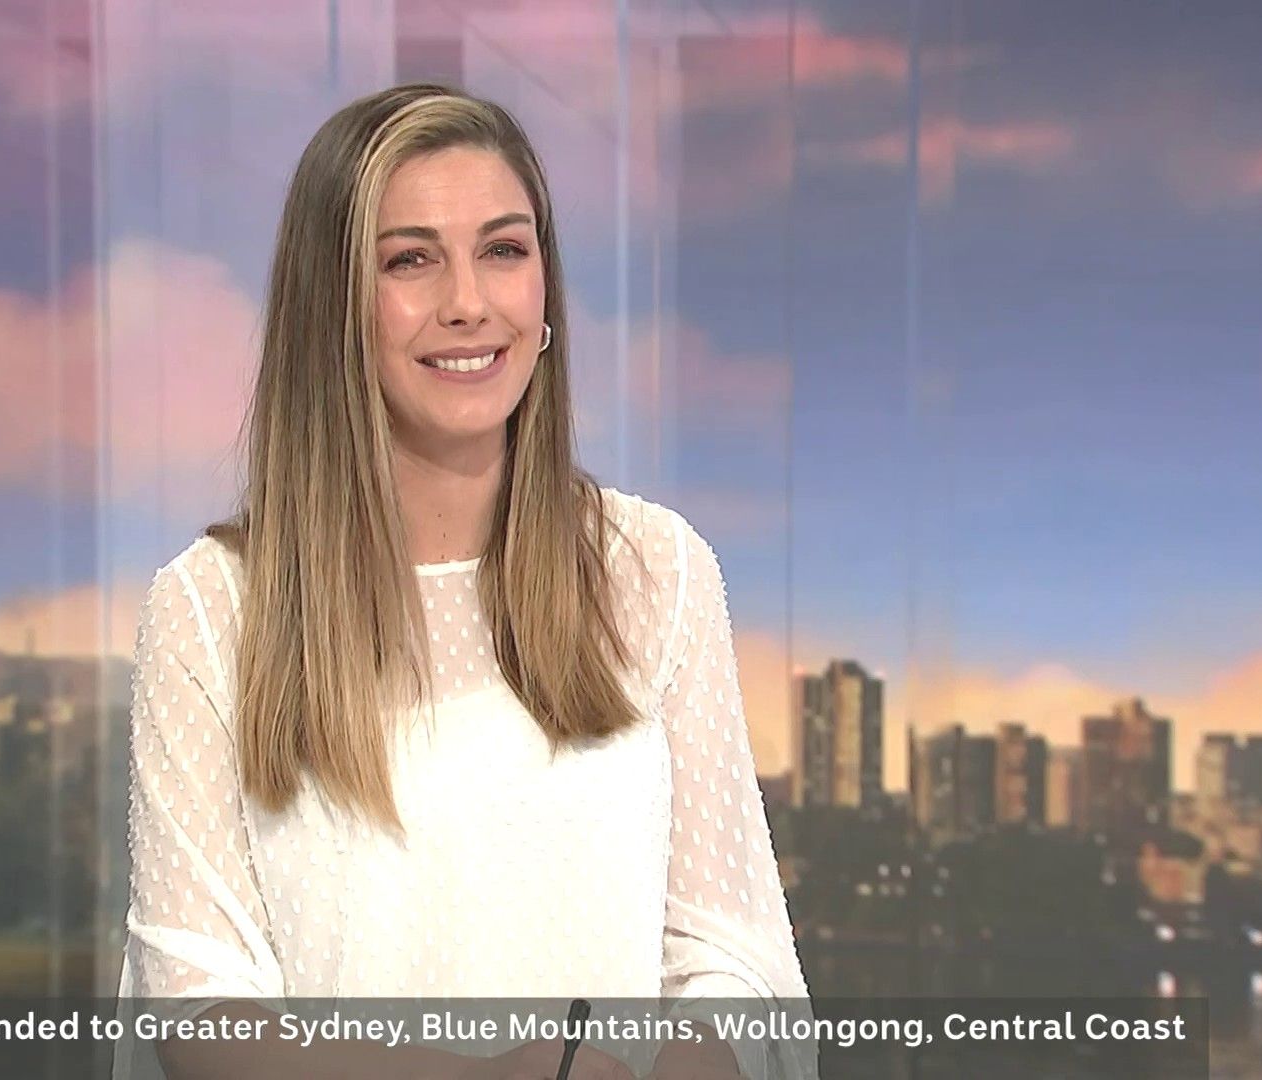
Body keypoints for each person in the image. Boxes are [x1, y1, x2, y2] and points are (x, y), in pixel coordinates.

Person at [114, 83, 815, 1080]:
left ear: (545, 294)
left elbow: (728, 957)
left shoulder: (656, 570)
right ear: (332, 309)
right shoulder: (211, 608)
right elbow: (198, 1008)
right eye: (410, 260)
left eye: (504, 250)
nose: (468, 303)